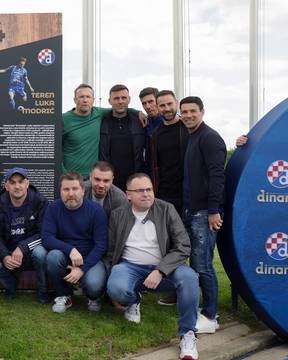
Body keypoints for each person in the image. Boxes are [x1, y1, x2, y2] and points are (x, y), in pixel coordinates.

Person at [105, 173, 200, 360]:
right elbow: (110, 251)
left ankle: (188, 334)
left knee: (190, 278)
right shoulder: (118, 215)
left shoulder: (166, 209)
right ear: (128, 195)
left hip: (165, 267)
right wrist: (111, 283)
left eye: (149, 189)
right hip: (129, 266)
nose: (146, 194)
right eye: (140, 190)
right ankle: (134, 300)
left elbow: (183, 245)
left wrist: (160, 270)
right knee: (117, 289)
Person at [180, 96, 227, 333]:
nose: (188, 115)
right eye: (184, 112)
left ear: (202, 112)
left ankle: (210, 316)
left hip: (204, 213)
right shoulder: (193, 136)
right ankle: (205, 309)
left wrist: (213, 210)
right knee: (196, 264)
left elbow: (218, 176)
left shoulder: (209, 138)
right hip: (192, 210)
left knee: (203, 266)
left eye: (192, 111)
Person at [42, 172, 108, 313]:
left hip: (91, 258)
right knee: (53, 257)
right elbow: (47, 238)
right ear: (60, 191)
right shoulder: (53, 208)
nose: (70, 193)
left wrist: (82, 269)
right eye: (66, 189)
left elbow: (101, 245)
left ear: (83, 190)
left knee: (94, 285)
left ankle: (92, 296)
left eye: (75, 189)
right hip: (65, 256)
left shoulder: (96, 211)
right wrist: (70, 250)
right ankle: (64, 294)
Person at [0, 167, 48, 303]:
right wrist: (4, 256)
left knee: (41, 253)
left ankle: (42, 291)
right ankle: (11, 285)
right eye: (13, 182)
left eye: (21, 182)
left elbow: (44, 234)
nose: (17, 186)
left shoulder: (40, 202)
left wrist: (23, 247)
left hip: (30, 253)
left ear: (27, 184)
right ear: (6, 186)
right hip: (9, 254)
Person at [62, 84, 145, 179]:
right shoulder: (63, 119)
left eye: (88, 97)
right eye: (81, 97)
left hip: (93, 178)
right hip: (71, 178)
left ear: (93, 100)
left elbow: (119, 108)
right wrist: (64, 173)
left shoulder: (98, 113)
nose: (85, 100)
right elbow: (54, 149)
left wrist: (138, 112)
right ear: (74, 100)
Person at [99, 84, 147, 191]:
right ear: (109, 101)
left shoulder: (140, 121)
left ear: (129, 99)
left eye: (124, 98)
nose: (120, 101)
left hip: (134, 181)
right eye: (116, 98)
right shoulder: (101, 121)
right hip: (108, 182)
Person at [150, 90, 187, 215]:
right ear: (157, 107)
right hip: (164, 195)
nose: (167, 108)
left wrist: (241, 142)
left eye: (170, 104)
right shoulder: (155, 134)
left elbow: (209, 139)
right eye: (162, 105)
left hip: (187, 194)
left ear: (176, 103)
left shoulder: (188, 128)